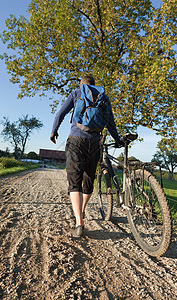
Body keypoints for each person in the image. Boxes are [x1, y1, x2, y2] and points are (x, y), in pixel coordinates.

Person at [50, 75, 122, 237]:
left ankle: (79, 223)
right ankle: (82, 210)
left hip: (76, 140)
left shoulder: (76, 93)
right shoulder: (104, 97)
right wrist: (117, 140)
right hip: (95, 142)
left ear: (82, 85)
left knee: (74, 181)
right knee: (88, 179)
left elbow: (59, 114)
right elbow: (110, 122)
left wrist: (54, 131)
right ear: (95, 86)